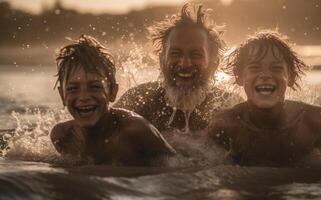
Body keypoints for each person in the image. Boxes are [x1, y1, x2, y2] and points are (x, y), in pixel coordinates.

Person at [208, 30, 321, 166]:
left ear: (291, 77)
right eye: (255, 67)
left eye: (276, 68)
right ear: (239, 77)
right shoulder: (226, 125)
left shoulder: (315, 121)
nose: (265, 75)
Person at [50, 35, 175, 165]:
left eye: (95, 87)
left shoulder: (136, 131)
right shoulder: (63, 136)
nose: (83, 97)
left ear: (112, 92)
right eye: (73, 89)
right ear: (62, 95)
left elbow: (179, 166)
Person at [115, 4, 241, 132]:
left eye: (196, 54)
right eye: (176, 53)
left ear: (214, 64)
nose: (185, 64)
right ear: (161, 60)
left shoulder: (229, 107)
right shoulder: (136, 101)